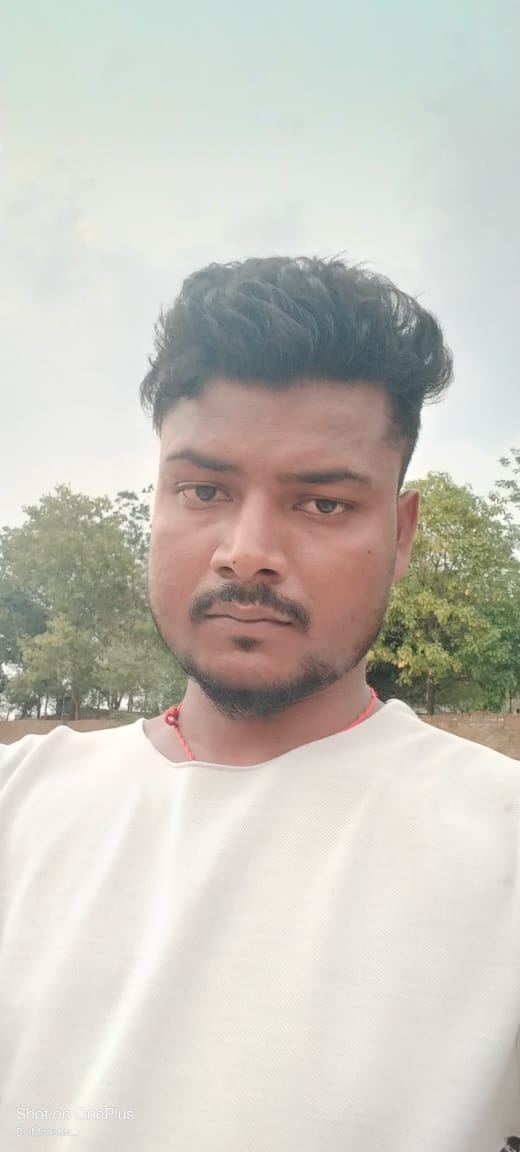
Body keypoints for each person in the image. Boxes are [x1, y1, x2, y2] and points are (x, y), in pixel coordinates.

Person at [1, 256, 518, 1152]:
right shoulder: (17, 804)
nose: (246, 552)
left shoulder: (503, 847)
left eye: (321, 503)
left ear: (400, 537)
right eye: (203, 491)